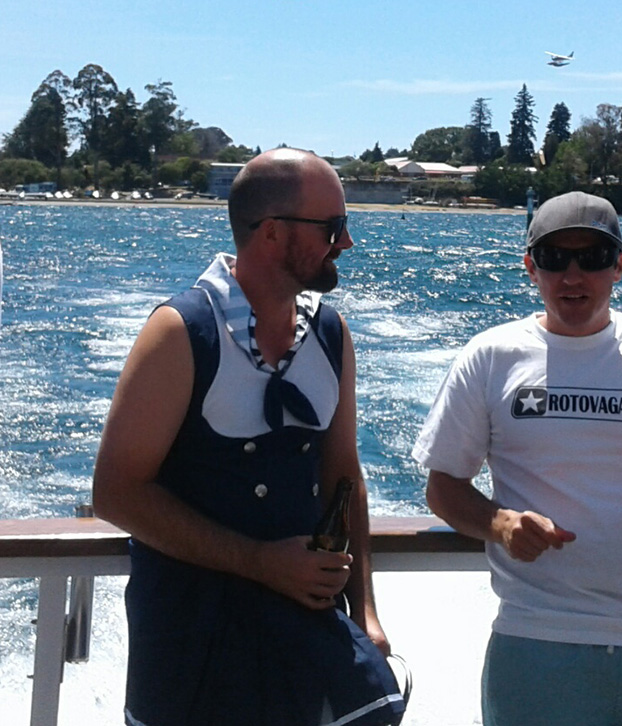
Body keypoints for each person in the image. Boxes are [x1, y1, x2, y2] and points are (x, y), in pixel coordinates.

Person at [412, 191, 622, 726]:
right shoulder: (490, 356)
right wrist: (500, 523)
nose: (573, 275)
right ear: (530, 267)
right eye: (554, 258)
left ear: (618, 265)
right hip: (535, 639)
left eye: (592, 258)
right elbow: (443, 486)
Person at [92, 148, 405, 726]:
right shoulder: (180, 333)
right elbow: (116, 493)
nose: (347, 243)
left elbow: (343, 477)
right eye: (334, 227)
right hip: (191, 650)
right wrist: (261, 562)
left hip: (302, 643)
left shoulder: (330, 335)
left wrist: (364, 611)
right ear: (271, 234)